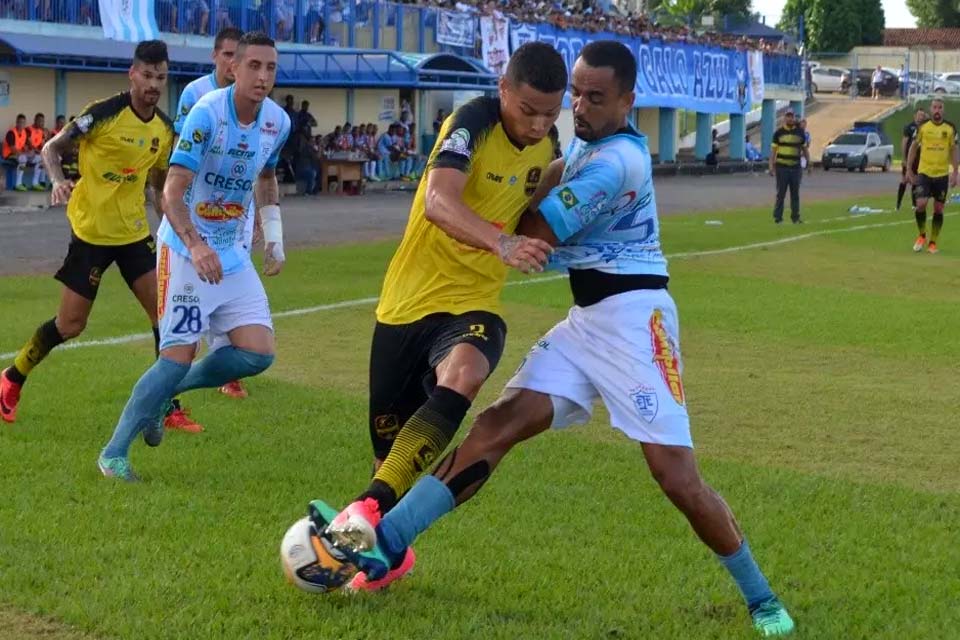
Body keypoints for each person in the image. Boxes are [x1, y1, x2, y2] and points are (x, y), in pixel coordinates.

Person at [309, 41, 797, 638]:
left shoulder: (616, 163)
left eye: (596, 97)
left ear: (628, 100)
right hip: (587, 320)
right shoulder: (585, 145)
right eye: (577, 95)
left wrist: (481, 202)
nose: (580, 108)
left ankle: (762, 598)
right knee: (496, 426)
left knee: (676, 477)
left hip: (635, 323)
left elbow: (533, 227)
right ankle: (386, 543)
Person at [318, 41, 567, 579]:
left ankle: (367, 507)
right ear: (503, 91)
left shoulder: (550, 147)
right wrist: (501, 244)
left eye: (551, 112)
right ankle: (387, 553)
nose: (539, 123)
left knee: (467, 371)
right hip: (405, 304)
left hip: (473, 302)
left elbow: (527, 216)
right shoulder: (472, 121)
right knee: (393, 459)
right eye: (528, 110)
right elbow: (438, 202)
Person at [98, 32, 291, 481]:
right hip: (186, 250)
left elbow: (266, 176)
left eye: (271, 68)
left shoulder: (278, 122)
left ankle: (167, 393)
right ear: (234, 68)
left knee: (258, 353)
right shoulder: (207, 113)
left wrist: (275, 234)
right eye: (254, 66)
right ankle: (114, 453)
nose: (263, 77)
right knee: (175, 356)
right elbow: (172, 191)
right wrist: (197, 243)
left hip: (232, 253)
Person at [0, 41, 175, 425]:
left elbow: (159, 188)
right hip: (92, 232)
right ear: (132, 74)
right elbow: (51, 148)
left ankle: (167, 405)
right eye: (146, 75)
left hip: (133, 233)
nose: (153, 84)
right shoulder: (102, 114)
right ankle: (12, 378)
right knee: (71, 325)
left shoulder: (163, 129)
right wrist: (58, 180)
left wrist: (173, 230)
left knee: (164, 316)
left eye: (160, 77)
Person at [172, 27, 249, 413]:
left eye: (240, 57)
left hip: (236, 213)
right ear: (216, 56)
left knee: (233, 283)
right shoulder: (196, 96)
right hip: (197, 208)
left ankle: (228, 369)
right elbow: (182, 150)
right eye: (228, 56)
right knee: (195, 287)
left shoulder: (255, 104)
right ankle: (177, 370)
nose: (233, 64)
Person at [906, 98, 958, 254]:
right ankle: (922, 235)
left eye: (940, 107)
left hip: (942, 174)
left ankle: (933, 243)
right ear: (931, 109)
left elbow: (954, 150)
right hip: (924, 172)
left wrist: (955, 172)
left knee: (938, 208)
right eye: (934, 107)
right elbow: (913, 147)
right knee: (921, 204)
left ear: (943, 110)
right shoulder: (923, 127)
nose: (937, 110)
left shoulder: (950, 128)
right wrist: (909, 168)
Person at [769, 109, 804, 224]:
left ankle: (795, 217)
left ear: (794, 117)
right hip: (782, 167)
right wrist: (771, 166)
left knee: (795, 194)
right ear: (784, 118)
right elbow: (773, 152)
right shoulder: (778, 133)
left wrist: (809, 162)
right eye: (788, 116)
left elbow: (804, 149)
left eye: (791, 116)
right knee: (781, 194)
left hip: (795, 168)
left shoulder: (800, 132)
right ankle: (778, 218)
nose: (790, 118)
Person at [2, 113, 43, 192]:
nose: (21, 124)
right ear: (16, 123)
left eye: (23, 123)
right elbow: (13, 149)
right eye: (19, 122)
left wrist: (31, 152)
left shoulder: (25, 132)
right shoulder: (11, 133)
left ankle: (35, 183)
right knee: (23, 158)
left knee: (40, 159)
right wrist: (26, 154)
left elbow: (27, 146)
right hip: (9, 155)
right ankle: (18, 184)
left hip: (19, 154)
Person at [898, 107, 927, 211]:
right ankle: (898, 205)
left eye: (923, 115)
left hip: (919, 160)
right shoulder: (909, 127)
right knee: (904, 180)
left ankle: (914, 204)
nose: (921, 117)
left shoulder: (925, 128)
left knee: (916, 181)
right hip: (909, 158)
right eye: (919, 115)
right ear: (915, 116)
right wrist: (904, 159)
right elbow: (904, 143)